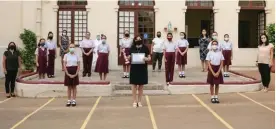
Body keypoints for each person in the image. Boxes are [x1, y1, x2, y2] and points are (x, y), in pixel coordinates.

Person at [128, 35, 151, 108]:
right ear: (134, 40)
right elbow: (129, 57)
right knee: (134, 86)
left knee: (141, 86)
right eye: (137, 39)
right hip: (134, 68)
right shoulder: (132, 48)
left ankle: (139, 101)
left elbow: (149, 57)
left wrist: (146, 59)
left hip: (142, 68)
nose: (138, 40)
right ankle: (134, 101)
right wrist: (129, 57)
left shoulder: (145, 48)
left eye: (140, 39)